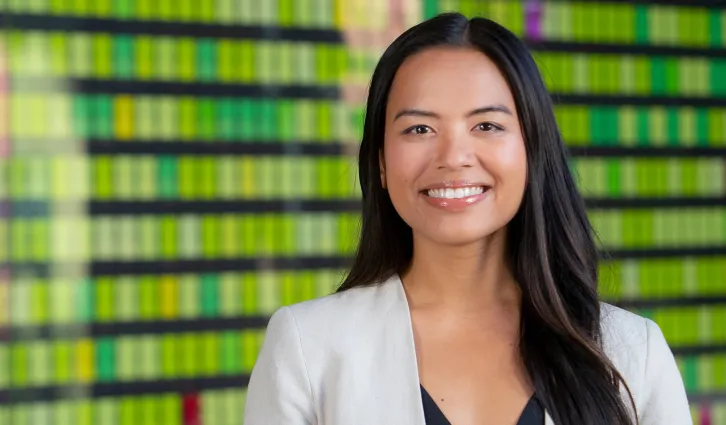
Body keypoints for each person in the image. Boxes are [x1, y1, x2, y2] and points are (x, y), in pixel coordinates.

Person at [243, 12, 691, 425]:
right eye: (419, 129)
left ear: (532, 151)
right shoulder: (307, 347)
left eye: (486, 126)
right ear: (380, 162)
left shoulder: (632, 353)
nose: (453, 157)